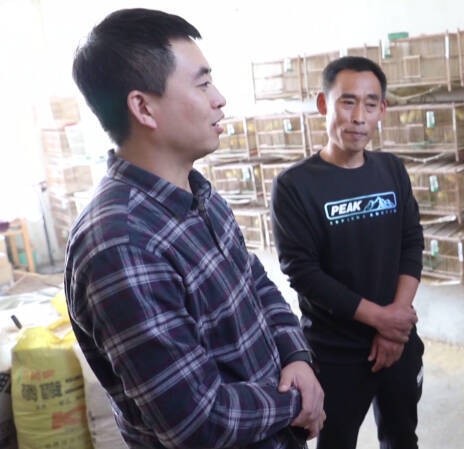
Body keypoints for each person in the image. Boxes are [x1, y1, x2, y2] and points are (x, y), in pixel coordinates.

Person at [65, 8, 324, 449]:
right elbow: (194, 420)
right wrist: (298, 401)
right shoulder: (120, 244)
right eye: (202, 84)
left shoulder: (198, 193)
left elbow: (256, 283)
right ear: (143, 107)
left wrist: (296, 356)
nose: (219, 99)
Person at [270, 56, 425, 449]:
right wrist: (382, 320)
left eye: (370, 104)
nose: (359, 117)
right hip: (335, 352)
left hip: (399, 342)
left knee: (402, 437)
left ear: (382, 110)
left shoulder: (391, 170)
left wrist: (397, 322)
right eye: (348, 102)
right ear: (324, 104)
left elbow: (411, 242)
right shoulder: (294, 186)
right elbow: (303, 273)